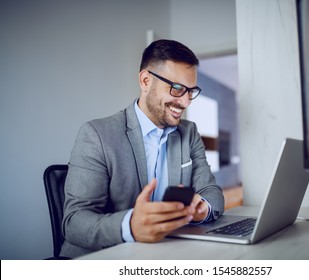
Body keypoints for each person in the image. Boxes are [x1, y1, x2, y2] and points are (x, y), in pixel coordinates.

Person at [60, 39, 225, 258]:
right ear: (146, 81)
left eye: (190, 91)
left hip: (166, 254)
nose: (186, 102)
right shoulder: (96, 134)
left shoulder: (189, 132)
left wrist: (201, 209)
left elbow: (212, 193)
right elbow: (74, 222)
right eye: (177, 89)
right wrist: (130, 226)